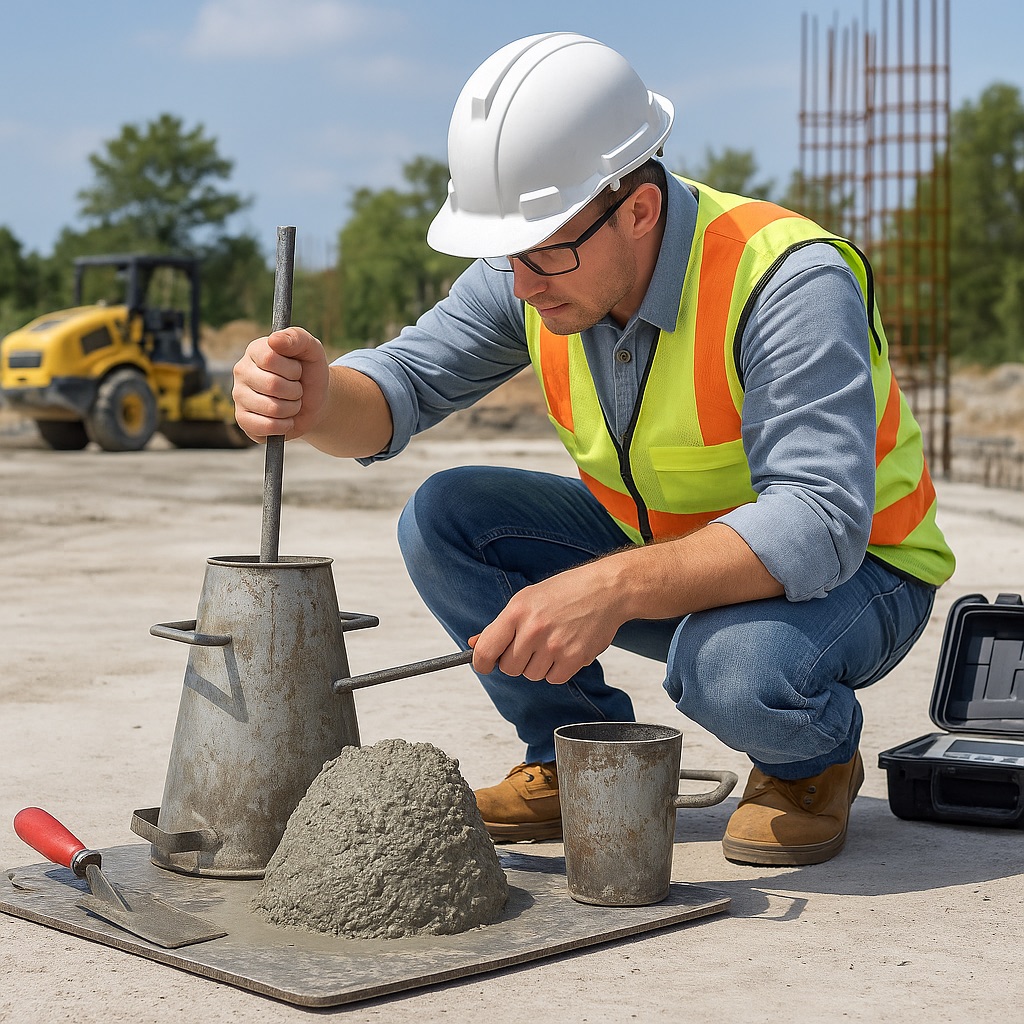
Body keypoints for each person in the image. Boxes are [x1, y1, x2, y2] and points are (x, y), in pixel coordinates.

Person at [233, 32, 955, 866]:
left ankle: (809, 763)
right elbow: (400, 386)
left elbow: (818, 521)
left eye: (545, 250)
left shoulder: (786, 279)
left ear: (640, 208)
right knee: (448, 517)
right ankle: (577, 755)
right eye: (509, 253)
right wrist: (317, 397)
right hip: (674, 554)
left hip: (859, 572)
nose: (525, 282)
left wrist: (607, 587)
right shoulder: (535, 271)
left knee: (730, 669)